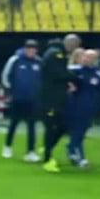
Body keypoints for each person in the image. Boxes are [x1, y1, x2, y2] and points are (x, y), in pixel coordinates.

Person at [40, 34, 80, 173]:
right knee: (52, 127)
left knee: (62, 126)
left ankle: (48, 148)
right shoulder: (56, 54)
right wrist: (76, 78)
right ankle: (47, 159)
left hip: (55, 97)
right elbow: (59, 74)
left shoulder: (54, 52)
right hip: (50, 98)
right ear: (71, 44)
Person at [0, 39, 42, 162]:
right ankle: (7, 147)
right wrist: (11, 91)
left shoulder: (39, 62)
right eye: (28, 48)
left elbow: (42, 79)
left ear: (36, 50)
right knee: (14, 123)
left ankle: (30, 151)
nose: (31, 51)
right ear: (25, 49)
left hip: (33, 99)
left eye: (33, 48)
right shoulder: (15, 60)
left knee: (31, 126)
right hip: (18, 98)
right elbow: (5, 76)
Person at [66, 49, 100, 167]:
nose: (87, 59)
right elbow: (61, 79)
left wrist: (96, 107)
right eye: (85, 56)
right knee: (77, 132)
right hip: (74, 107)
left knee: (81, 132)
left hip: (89, 109)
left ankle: (71, 149)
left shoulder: (98, 75)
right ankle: (80, 157)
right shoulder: (74, 71)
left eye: (90, 57)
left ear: (95, 60)